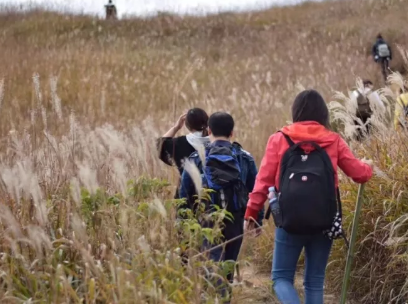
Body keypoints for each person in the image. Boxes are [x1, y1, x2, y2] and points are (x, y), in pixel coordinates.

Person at [245, 90, 373, 304]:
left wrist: (251, 213)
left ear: (295, 112)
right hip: (324, 219)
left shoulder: (279, 139)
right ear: (323, 113)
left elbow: (263, 181)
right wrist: (367, 166)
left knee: (281, 278)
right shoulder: (333, 140)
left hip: (288, 219)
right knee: (314, 281)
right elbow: (360, 174)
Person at [179, 112, 262, 293]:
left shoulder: (196, 158)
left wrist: (185, 222)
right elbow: (256, 191)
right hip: (236, 219)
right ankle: (225, 298)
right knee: (229, 267)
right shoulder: (245, 157)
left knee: (212, 265)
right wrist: (257, 219)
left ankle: (214, 298)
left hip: (207, 220)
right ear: (232, 133)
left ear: (209, 131)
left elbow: (184, 194)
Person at [157, 108, 210, 201]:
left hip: (185, 196)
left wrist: (176, 127)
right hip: (211, 195)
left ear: (187, 125)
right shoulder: (216, 142)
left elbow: (160, 145)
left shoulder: (179, 143)